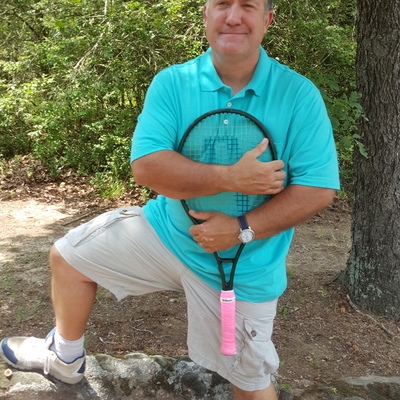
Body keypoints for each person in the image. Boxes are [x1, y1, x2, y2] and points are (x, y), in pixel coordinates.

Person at [0, 0, 340, 399]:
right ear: (205, 16)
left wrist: (241, 230)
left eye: (247, 5)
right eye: (222, 5)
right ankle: (65, 357)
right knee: (68, 257)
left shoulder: (298, 94)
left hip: (243, 267)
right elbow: (147, 167)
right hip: (164, 234)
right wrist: (230, 178)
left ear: (267, 19)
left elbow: (318, 190)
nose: (233, 16)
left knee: (250, 383)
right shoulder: (173, 83)